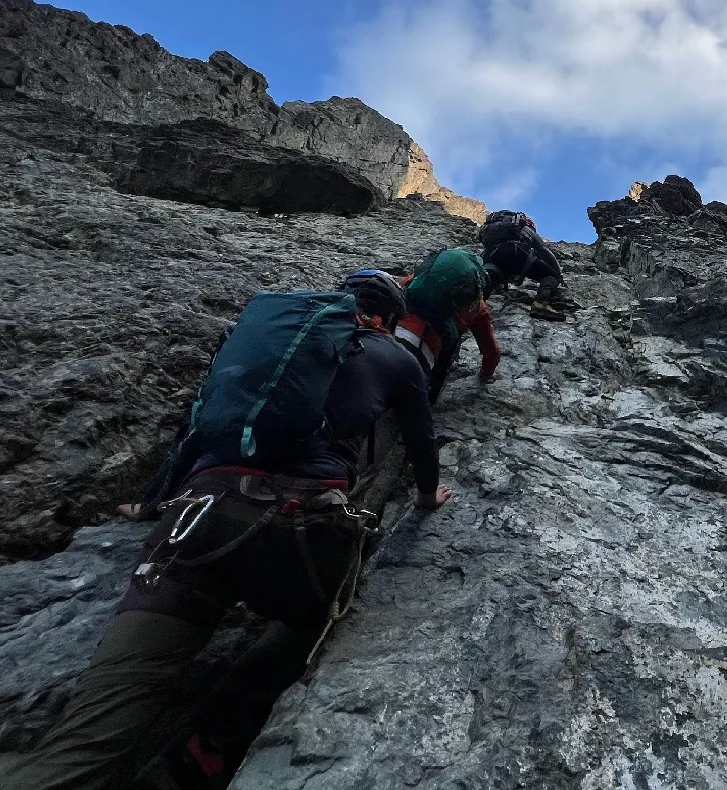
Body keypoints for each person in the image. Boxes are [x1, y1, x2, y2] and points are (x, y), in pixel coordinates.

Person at [5, 270, 452, 790]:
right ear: (390, 320)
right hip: (299, 528)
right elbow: (422, 439)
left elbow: (198, 423)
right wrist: (426, 496)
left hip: (195, 516)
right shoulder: (395, 357)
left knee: (91, 735)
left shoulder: (266, 343)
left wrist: (153, 502)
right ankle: (212, 742)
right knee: (320, 616)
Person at [396, 247, 501, 399]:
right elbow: (491, 351)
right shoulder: (478, 307)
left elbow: (400, 288)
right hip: (430, 346)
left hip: (397, 329)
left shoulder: (424, 278)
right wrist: (487, 374)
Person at [479, 210, 571, 321]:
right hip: (514, 252)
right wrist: (558, 274)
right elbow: (544, 250)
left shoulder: (492, 231)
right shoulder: (524, 228)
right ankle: (540, 304)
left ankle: (471, 309)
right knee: (550, 275)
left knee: (489, 280)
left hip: (488, 255)